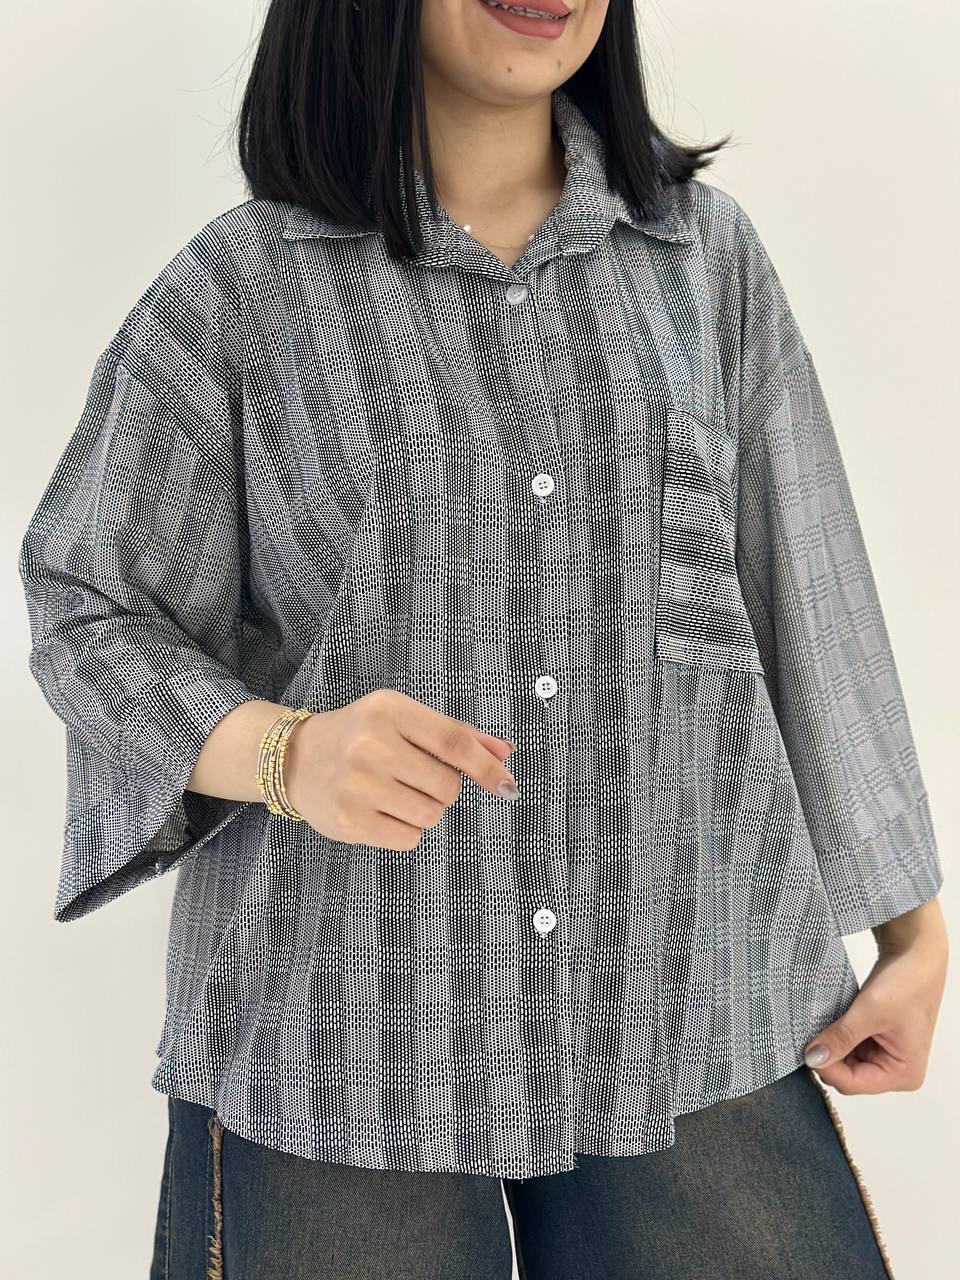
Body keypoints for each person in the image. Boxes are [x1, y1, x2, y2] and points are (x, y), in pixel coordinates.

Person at [17, 1, 947, 1277]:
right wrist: (284, 750)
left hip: (687, 995)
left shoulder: (702, 259)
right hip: (341, 1039)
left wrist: (910, 928)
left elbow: (807, 580)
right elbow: (87, 601)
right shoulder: (239, 290)